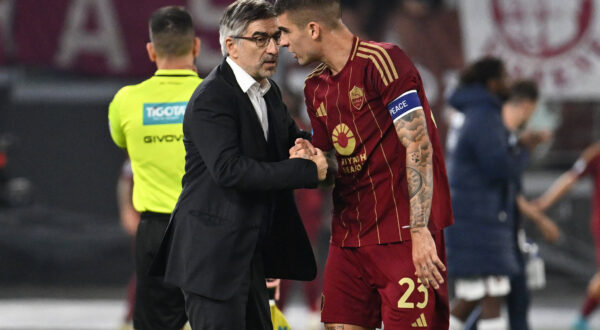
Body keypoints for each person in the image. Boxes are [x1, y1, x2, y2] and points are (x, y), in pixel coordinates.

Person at [275, 1, 454, 328]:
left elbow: (418, 143)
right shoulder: (314, 87)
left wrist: (420, 230)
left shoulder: (384, 62)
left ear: (313, 29)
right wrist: (314, 162)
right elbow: (332, 168)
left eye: (285, 32)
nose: (281, 42)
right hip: (348, 238)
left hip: (402, 236)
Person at [150, 1, 328, 329]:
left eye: (276, 37)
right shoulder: (211, 98)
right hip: (212, 260)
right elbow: (230, 170)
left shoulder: (269, 92)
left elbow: (292, 141)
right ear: (231, 45)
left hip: (249, 256)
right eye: (261, 39)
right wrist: (307, 170)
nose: (274, 47)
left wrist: (314, 150)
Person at [107, 6, 202, 330]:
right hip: (209, 228)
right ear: (196, 47)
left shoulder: (126, 101)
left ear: (151, 50)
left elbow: (125, 147)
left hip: (155, 233)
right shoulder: (218, 96)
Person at [444, 57, 527, 330]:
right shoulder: (484, 115)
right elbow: (498, 167)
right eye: (504, 77)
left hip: (470, 215)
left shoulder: (472, 111)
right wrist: (521, 148)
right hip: (478, 218)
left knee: (474, 295)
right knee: (489, 292)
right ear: (492, 83)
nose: (508, 83)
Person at [534, 141, 600, 330]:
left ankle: (582, 319)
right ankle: (581, 320)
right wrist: (545, 202)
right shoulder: (595, 154)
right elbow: (570, 178)